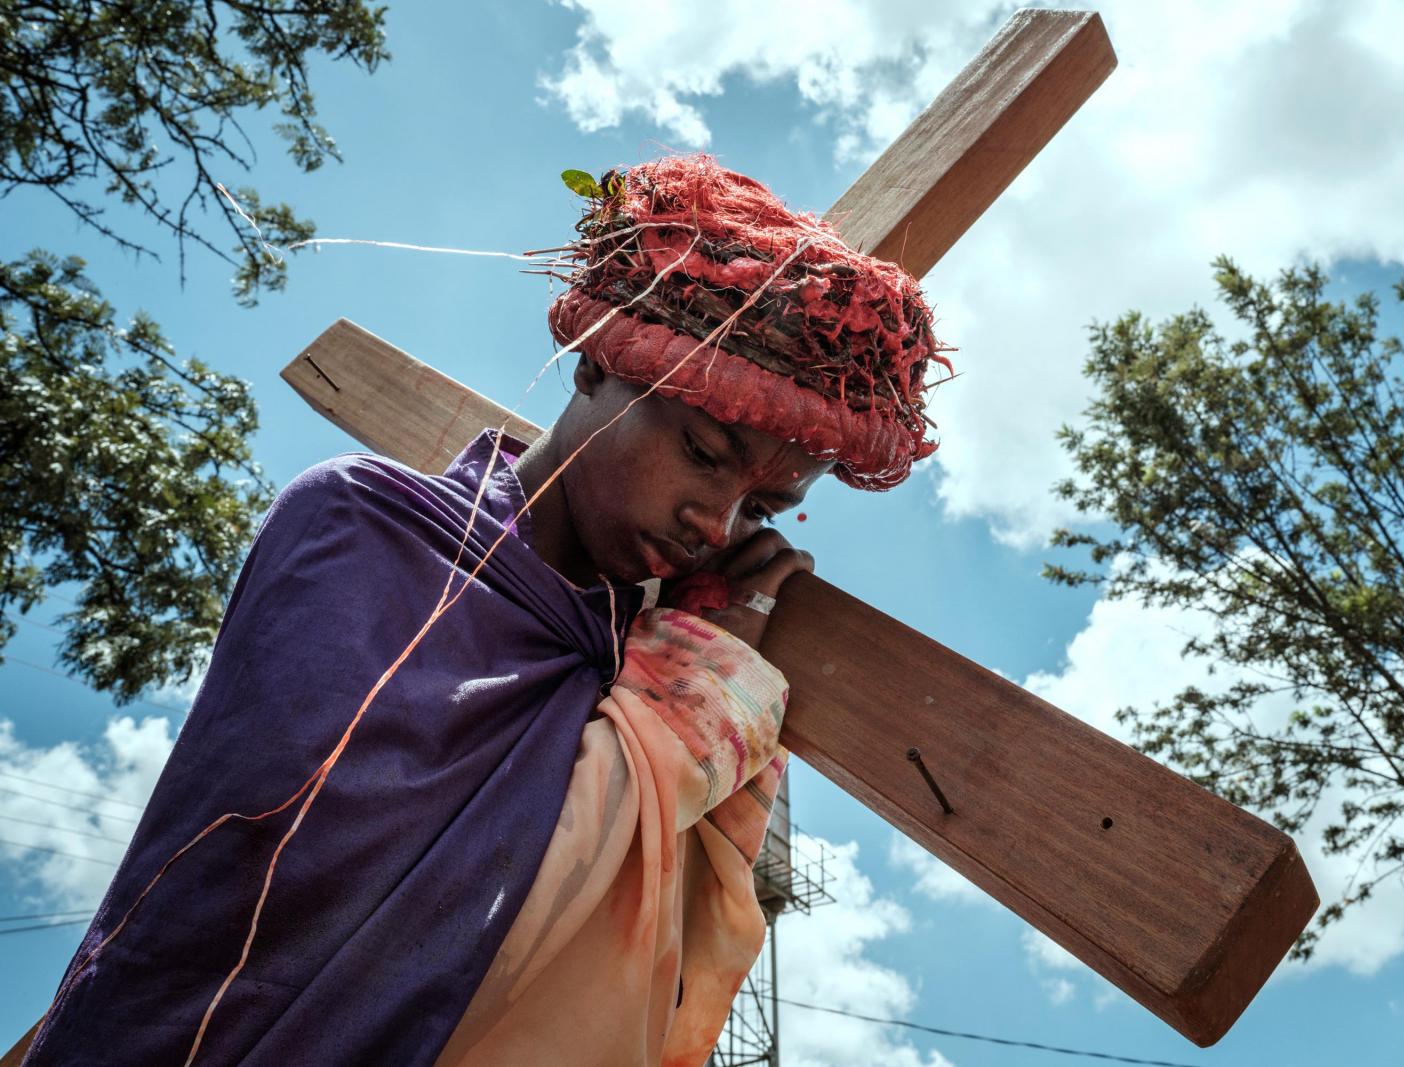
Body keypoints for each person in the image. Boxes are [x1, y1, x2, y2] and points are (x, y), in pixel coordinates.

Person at [17, 154, 946, 1066]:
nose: (718, 521)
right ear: (595, 366)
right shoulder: (358, 523)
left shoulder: (637, 643)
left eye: (764, 510)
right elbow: (313, 872)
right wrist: (695, 693)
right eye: (703, 452)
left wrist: (687, 674)